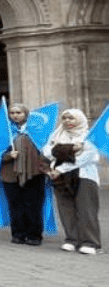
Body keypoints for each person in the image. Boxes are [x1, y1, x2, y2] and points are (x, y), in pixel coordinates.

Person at [43, 108, 101, 255]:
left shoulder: (88, 135)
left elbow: (87, 156)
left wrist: (61, 167)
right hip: (61, 178)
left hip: (84, 176)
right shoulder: (57, 134)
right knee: (66, 209)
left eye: (71, 118)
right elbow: (47, 151)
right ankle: (72, 239)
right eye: (65, 118)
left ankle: (90, 242)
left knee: (86, 210)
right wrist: (72, 148)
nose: (67, 121)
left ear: (79, 119)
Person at [0, 102, 47, 246]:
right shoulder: (5, 131)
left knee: (33, 205)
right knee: (15, 205)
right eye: (12, 113)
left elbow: (46, 150)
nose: (15, 115)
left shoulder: (36, 130)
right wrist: (8, 155)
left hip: (34, 173)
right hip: (10, 175)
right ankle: (18, 233)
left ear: (26, 114)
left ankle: (34, 235)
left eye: (18, 112)